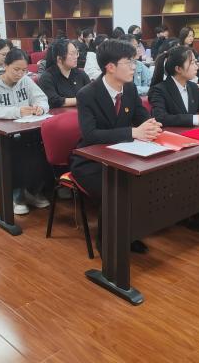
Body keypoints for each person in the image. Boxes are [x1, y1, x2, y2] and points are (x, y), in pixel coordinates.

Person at [70, 39, 163, 254]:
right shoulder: (87, 94)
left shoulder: (129, 88)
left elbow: (142, 117)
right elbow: (90, 135)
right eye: (128, 62)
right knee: (116, 189)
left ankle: (130, 234)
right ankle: (107, 244)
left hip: (123, 154)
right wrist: (132, 132)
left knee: (145, 182)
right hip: (91, 160)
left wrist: (151, 125)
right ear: (110, 67)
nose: (134, 67)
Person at [148, 45, 199, 229]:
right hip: (170, 146)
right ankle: (187, 214)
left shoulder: (191, 87)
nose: (197, 66)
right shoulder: (160, 89)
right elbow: (161, 117)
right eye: (192, 63)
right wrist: (198, 119)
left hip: (192, 141)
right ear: (178, 69)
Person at [0, 48, 52, 215]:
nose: (20, 74)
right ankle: (16, 196)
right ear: (5, 66)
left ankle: (32, 191)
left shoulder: (25, 81)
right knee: (16, 154)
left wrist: (40, 108)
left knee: (42, 152)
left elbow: (42, 98)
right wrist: (17, 111)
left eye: (24, 70)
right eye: (16, 69)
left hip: (24, 134)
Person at [38, 39, 90, 108]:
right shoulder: (47, 77)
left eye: (76, 53)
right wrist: (81, 100)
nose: (76, 57)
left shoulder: (81, 74)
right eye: (72, 54)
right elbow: (53, 100)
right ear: (59, 59)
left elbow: (91, 93)